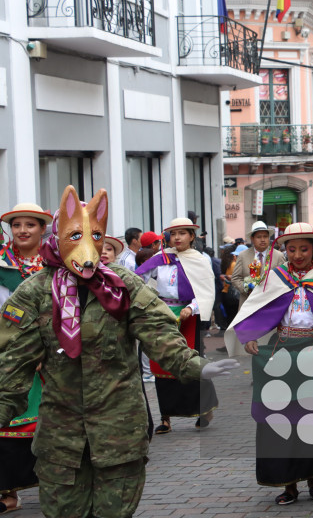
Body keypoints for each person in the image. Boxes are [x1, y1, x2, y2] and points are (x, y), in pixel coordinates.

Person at [0, 187, 237, 518]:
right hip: (61, 439)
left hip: (118, 432)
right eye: (76, 234)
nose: (86, 245)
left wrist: (193, 364)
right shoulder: (34, 292)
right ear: (58, 237)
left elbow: (158, 331)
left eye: (95, 235)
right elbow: (12, 364)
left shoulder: (122, 285)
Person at [225, 222, 313, 506]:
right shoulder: (274, 278)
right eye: (292, 249)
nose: (298, 254)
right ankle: (287, 483)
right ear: (284, 250)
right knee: (280, 416)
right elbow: (257, 308)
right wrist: (249, 338)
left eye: (304, 248)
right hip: (279, 352)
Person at [136, 217, 219, 434]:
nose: (177, 238)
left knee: (192, 364)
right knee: (160, 365)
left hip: (189, 316)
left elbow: (206, 290)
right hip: (163, 316)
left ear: (192, 236)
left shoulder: (199, 260)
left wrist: (191, 308)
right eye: (173, 234)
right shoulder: (160, 258)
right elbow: (140, 279)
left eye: (182, 233)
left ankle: (203, 409)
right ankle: (165, 418)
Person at [0, 203, 52, 514]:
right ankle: (7, 490)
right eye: (16, 225)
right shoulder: (1, 265)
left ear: (42, 229)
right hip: (7, 351)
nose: (22, 231)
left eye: (30, 225)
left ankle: (53, 483)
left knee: (51, 420)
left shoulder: (54, 265)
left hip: (50, 355)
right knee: (7, 419)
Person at [231, 221, 285, 311]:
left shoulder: (278, 256)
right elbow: (235, 278)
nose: (262, 240)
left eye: (265, 236)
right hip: (248, 305)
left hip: (270, 305)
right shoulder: (243, 255)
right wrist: (246, 289)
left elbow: (284, 279)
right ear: (252, 239)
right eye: (259, 237)